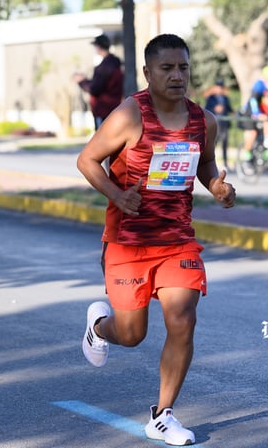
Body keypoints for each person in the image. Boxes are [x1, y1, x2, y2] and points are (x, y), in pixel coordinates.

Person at [76, 33, 236, 446]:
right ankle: (99, 326)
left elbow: (205, 165)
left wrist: (216, 187)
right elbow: (87, 159)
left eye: (183, 67)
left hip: (177, 240)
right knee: (131, 334)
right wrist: (117, 194)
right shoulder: (130, 115)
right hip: (128, 242)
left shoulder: (205, 122)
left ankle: (162, 415)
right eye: (167, 68)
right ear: (148, 73)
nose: (177, 75)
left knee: (182, 320)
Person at [75, 34, 124, 129]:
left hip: (103, 110)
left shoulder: (105, 67)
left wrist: (81, 81)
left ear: (98, 47)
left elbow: (95, 89)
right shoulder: (114, 63)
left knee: (102, 140)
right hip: (114, 108)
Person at [203, 78, 233, 169]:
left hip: (224, 124)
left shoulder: (225, 98)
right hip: (215, 125)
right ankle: (211, 163)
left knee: (224, 144)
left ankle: (225, 162)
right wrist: (214, 109)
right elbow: (206, 109)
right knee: (213, 144)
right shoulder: (211, 98)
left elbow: (229, 109)